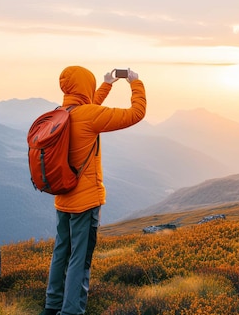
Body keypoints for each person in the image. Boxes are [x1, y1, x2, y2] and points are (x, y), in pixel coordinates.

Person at [41, 66, 147, 315]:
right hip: (85, 202)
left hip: (62, 198)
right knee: (80, 258)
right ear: (85, 87)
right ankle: (71, 311)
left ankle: (51, 305)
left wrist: (107, 85)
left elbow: (88, 108)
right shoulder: (89, 116)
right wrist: (136, 83)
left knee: (61, 252)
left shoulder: (60, 114)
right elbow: (136, 113)